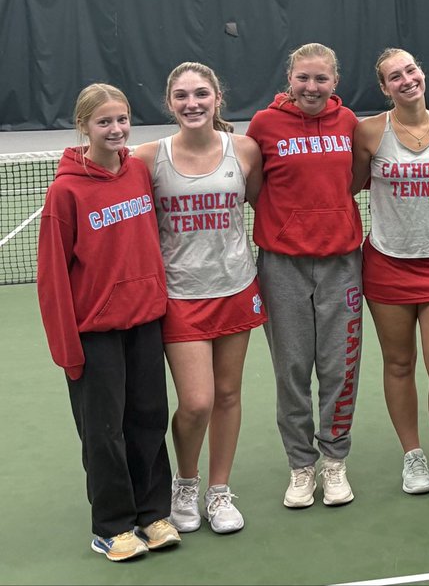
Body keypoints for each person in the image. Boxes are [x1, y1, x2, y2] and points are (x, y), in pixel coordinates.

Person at [37, 83, 179, 561]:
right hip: (93, 334)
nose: (116, 129)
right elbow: (52, 279)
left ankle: (153, 514)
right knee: (104, 430)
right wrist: (67, 351)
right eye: (104, 122)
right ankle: (112, 527)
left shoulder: (138, 172)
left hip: (143, 322)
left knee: (148, 421)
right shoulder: (65, 192)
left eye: (122, 119)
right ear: (84, 127)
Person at [131, 63, 265, 535]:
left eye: (201, 94)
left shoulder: (244, 149)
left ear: (217, 99)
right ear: (170, 103)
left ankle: (219, 491)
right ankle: (185, 483)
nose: (193, 103)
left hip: (236, 287)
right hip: (180, 296)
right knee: (197, 401)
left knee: (228, 394)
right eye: (183, 96)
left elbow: (255, 199)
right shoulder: (148, 157)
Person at [351, 48, 429, 501]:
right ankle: (413, 457)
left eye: (411, 70)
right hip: (386, 263)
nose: (406, 80)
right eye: (394, 76)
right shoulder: (369, 133)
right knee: (399, 364)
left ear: (422, 73)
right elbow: (349, 188)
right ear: (385, 88)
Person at [246, 43, 363, 509]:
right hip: (282, 265)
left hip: (342, 264)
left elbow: (352, 181)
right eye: (303, 78)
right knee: (292, 370)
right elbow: (256, 189)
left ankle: (334, 461)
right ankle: (301, 465)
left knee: (339, 367)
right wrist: (290, 226)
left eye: (321, 79)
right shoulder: (263, 125)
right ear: (289, 79)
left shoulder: (349, 123)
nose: (311, 87)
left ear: (335, 82)